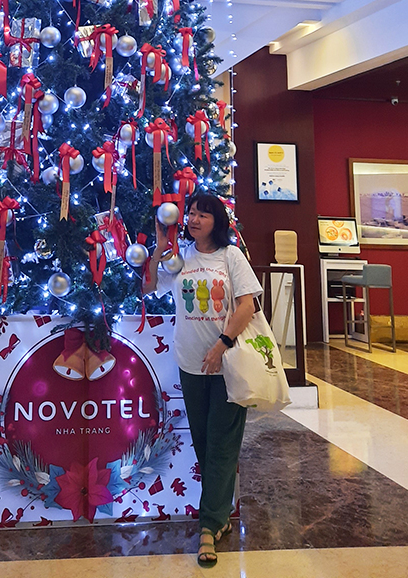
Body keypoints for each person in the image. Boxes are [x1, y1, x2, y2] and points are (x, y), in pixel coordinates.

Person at [143, 192, 263, 566]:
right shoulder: (180, 259)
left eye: (202, 215)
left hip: (227, 364)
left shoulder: (230, 256)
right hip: (190, 364)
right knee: (205, 445)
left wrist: (222, 345)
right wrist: (160, 248)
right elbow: (146, 288)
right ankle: (220, 514)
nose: (194, 219)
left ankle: (208, 527)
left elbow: (248, 304)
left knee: (223, 445)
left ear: (218, 221)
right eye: (191, 213)